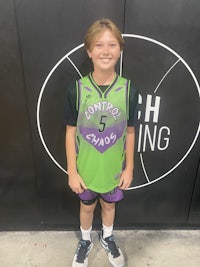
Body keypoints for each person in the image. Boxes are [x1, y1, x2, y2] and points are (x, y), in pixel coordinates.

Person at [65, 18, 138, 267]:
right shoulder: (77, 89)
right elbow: (69, 132)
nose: (105, 51)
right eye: (99, 45)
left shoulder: (129, 90)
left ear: (120, 49)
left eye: (112, 45)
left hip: (113, 169)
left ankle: (107, 237)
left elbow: (129, 131)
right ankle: (85, 240)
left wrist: (129, 168)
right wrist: (72, 171)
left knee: (109, 206)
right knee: (87, 208)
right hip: (86, 168)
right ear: (89, 50)